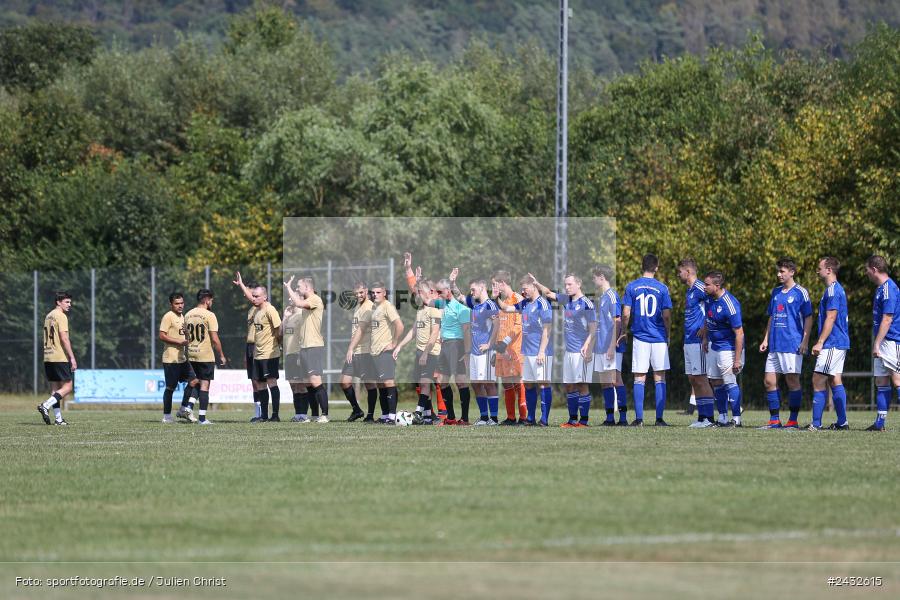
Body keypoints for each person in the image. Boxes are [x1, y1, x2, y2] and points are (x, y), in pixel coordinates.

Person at [530, 273, 596, 427]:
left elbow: (594, 329)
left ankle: (584, 421)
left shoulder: (587, 303)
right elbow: (548, 293)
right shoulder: (566, 300)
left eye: (570, 284)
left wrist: (588, 347)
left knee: (582, 385)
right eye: (565, 285)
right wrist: (537, 283)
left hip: (581, 352)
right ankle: (573, 420)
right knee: (569, 385)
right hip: (569, 352)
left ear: (578, 284)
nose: (566, 287)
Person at [759, 258, 813, 429]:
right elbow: (772, 316)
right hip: (775, 344)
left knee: (792, 381)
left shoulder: (801, 292)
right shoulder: (775, 292)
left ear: (792, 272)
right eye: (778, 271)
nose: (779, 274)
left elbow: (809, 318)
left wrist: (805, 341)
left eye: (782, 271)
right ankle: (774, 420)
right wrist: (766, 338)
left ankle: (793, 421)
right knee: (769, 381)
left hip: (792, 344)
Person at [621, 253, 673, 426]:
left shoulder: (631, 286)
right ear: (656, 267)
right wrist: (668, 334)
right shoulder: (663, 288)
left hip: (640, 337)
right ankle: (659, 419)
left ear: (641, 266)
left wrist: (624, 331)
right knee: (660, 378)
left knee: (639, 378)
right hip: (658, 338)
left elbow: (626, 313)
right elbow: (666, 316)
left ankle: (639, 419)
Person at [497, 275, 553, 426]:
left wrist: (542, 351)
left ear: (534, 287)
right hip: (527, 351)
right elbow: (507, 308)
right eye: (521, 289)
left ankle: (544, 419)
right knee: (528, 384)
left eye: (525, 288)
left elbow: (548, 329)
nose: (523, 291)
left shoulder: (543, 303)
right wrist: (496, 298)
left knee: (543, 384)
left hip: (541, 352)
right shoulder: (525, 303)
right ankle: (530, 418)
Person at [450, 273, 499, 426]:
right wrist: (452, 282)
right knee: (476, 384)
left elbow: (497, 324)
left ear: (482, 287)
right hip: (474, 352)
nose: (471, 293)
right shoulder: (475, 305)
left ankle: (494, 419)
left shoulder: (490, 304)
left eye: (473, 290)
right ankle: (484, 417)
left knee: (488, 383)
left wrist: (490, 344)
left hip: (486, 351)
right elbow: (459, 296)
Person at [808, 257, 850, 431]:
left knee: (818, 379)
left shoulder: (833, 290)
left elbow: (831, 317)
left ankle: (816, 424)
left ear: (829, 270)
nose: (817, 271)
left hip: (832, 342)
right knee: (834, 379)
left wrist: (820, 342)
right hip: (837, 342)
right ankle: (842, 423)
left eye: (819, 268)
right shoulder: (832, 290)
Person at [393, 280, 442, 424]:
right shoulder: (420, 310)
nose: (417, 294)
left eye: (419, 291)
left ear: (428, 292)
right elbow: (413, 331)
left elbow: (434, 333)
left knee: (425, 382)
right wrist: (400, 346)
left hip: (431, 352)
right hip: (419, 351)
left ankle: (419, 412)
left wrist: (426, 352)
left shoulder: (434, 309)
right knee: (419, 383)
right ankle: (428, 416)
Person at [701, 271, 745, 427]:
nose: (704, 287)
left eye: (707, 284)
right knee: (715, 381)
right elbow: (707, 318)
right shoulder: (708, 299)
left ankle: (737, 419)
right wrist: (705, 338)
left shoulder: (730, 304)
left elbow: (739, 333)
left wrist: (737, 359)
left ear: (717, 286)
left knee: (729, 381)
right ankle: (722, 418)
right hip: (713, 346)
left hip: (728, 348)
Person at [676, 258, 717, 427]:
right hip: (689, 340)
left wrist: (705, 327)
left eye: (680, 272)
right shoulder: (690, 291)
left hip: (698, 341)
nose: (678, 275)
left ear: (688, 271)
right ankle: (701, 418)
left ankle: (708, 418)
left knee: (701, 379)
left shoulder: (701, 287)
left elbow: (714, 304)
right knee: (693, 379)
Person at [285, 276, 328, 423]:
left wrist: (288, 287)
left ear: (308, 288)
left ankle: (325, 415)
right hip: (304, 348)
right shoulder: (306, 304)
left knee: (316, 382)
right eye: (296, 286)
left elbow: (297, 302)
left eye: (299, 286)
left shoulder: (315, 299)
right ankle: (315, 414)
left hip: (313, 346)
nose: (297, 288)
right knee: (308, 383)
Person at [865, 255, 900, 431]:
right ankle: (879, 423)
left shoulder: (888, 289)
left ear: (874, 269)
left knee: (897, 379)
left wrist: (877, 343)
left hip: (891, 341)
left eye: (867, 270)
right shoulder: (880, 289)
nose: (866, 274)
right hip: (883, 341)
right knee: (881, 381)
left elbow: (887, 318)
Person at [592, 265, 629, 426]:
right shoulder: (603, 296)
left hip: (609, 347)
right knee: (605, 381)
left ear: (601, 277)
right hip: (600, 346)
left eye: (594, 276)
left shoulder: (612, 295)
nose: (593, 280)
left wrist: (611, 346)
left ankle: (623, 418)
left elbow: (617, 321)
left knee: (615, 380)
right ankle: (609, 418)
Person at [184, 289, 227, 424]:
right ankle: (202, 418)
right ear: (207, 300)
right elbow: (215, 339)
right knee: (205, 385)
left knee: (197, 382)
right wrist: (221, 355)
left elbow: (186, 336)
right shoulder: (210, 315)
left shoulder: (188, 314)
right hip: (205, 354)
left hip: (191, 353)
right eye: (211, 300)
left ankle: (189, 406)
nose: (212, 302)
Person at [491, 271, 527, 425]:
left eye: (494, 284)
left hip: (514, 350)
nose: (492, 287)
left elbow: (518, 327)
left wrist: (504, 345)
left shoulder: (518, 299)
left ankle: (524, 418)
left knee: (518, 382)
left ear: (502, 283)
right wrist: (497, 350)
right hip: (501, 350)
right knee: (506, 382)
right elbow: (499, 327)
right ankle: (511, 417)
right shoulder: (501, 302)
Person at [158, 292, 199, 424]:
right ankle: (167, 416)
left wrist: (188, 338)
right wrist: (179, 342)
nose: (180, 305)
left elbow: (184, 336)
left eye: (181, 303)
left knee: (194, 381)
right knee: (170, 387)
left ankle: (182, 409)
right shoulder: (168, 317)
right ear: (171, 304)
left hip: (182, 358)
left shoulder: (183, 317)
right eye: (177, 303)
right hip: (171, 359)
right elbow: (162, 336)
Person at [37, 291, 76, 426]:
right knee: (68, 386)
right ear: (58, 302)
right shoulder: (61, 316)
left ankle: (58, 419)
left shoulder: (48, 316)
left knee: (55, 388)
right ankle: (45, 405)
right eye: (66, 302)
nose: (69, 305)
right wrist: (72, 357)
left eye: (70, 302)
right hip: (59, 355)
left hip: (48, 356)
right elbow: (64, 338)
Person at [368, 281, 404, 424]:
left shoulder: (387, 306)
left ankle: (392, 416)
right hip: (375, 352)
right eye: (373, 292)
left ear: (384, 293)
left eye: (378, 292)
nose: (375, 295)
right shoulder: (375, 308)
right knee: (381, 384)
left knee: (388, 382)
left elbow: (400, 326)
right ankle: (384, 416)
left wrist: (394, 343)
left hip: (385, 352)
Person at [341, 281, 377, 422]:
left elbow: (361, 331)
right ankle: (357, 410)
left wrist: (350, 348)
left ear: (366, 291)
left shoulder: (370, 307)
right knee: (344, 382)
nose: (359, 295)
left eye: (361, 292)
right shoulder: (358, 306)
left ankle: (370, 415)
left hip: (365, 351)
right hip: (355, 351)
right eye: (356, 293)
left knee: (369, 384)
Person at [233, 272, 263, 421]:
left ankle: (265, 413)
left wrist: (241, 285)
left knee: (261, 381)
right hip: (250, 347)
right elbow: (249, 332)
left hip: (260, 347)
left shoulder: (260, 306)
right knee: (254, 381)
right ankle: (257, 413)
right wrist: (246, 353)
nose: (248, 296)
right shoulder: (251, 310)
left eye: (251, 294)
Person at [250, 285, 282, 421]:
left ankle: (275, 415)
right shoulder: (257, 311)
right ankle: (264, 416)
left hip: (269, 354)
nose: (254, 298)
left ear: (265, 297)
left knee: (271, 383)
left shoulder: (270, 309)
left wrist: (278, 344)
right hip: (258, 354)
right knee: (260, 384)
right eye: (253, 296)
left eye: (256, 296)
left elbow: (279, 328)